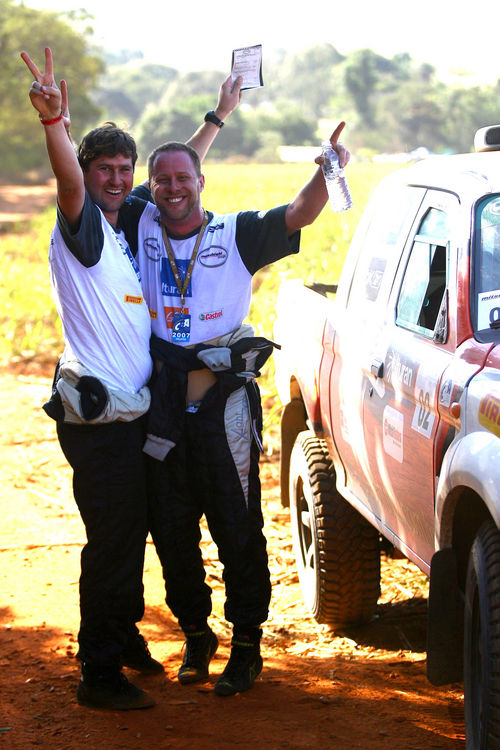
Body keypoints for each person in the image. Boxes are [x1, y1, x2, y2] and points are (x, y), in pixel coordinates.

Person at [20, 46, 242, 711]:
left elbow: (178, 170)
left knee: (134, 528)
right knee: (113, 542)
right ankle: (98, 673)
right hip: (100, 424)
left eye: (123, 170)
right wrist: (56, 125)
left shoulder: (126, 223)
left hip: (134, 415)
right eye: (104, 170)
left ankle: (123, 638)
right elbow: (67, 179)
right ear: (85, 174)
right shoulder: (83, 224)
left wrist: (219, 116)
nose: (117, 180)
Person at [131, 128, 350, 696]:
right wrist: (220, 112)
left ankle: (247, 643)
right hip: (162, 410)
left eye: (184, 178)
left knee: (237, 527)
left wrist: (328, 168)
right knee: (172, 530)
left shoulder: (237, 232)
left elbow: (300, 213)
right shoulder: (142, 222)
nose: (174, 188)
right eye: (163, 180)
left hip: (223, 406)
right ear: (150, 188)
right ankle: (197, 634)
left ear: (202, 181)